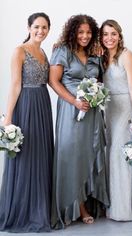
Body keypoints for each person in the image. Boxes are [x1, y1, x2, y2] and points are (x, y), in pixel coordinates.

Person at [49, 14, 109, 228]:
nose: (85, 36)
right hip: (70, 110)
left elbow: (99, 80)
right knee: (71, 156)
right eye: (81, 32)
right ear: (73, 31)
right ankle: (75, 207)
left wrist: (95, 95)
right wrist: (74, 101)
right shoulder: (62, 50)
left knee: (88, 154)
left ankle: (87, 203)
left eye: (89, 32)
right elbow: (53, 81)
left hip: (91, 113)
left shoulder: (94, 54)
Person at [0, 12, 53, 232]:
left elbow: (51, 80)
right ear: (29, 27)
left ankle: (39, 209)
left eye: (44, 27)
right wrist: (8, 118)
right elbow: (14, 85)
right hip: (27, 105)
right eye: (36, 27)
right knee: (26, 156)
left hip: (43, 104)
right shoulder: (19, 51)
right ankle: (22, 211)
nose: (40, 31)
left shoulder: (42, 52)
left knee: (41, 156)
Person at [100, 19, 132, 222]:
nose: (109, 38)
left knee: (121, 154)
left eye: (113, 33)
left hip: (125, 107)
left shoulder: (127, 55)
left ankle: (124, 208)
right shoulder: (101, 57)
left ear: (119, 35)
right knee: (111, 154)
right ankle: (112, 205)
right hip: (109, 109)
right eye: (106, 34)